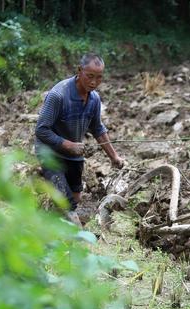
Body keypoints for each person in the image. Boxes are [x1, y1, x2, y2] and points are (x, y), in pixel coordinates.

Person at [35, 53, 124, 225]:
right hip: (50, 151)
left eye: (99, 78)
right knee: (65, 201)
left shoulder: (94, 99)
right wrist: (67, 144)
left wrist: (114, 157)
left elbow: (97, 128)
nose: (93, 82)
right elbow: (41, 130)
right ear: (79, 71)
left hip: (74, 153)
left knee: (76, 197)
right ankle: (75, 237)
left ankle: (54, 220)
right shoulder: (58, 95)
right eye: (90, 76)